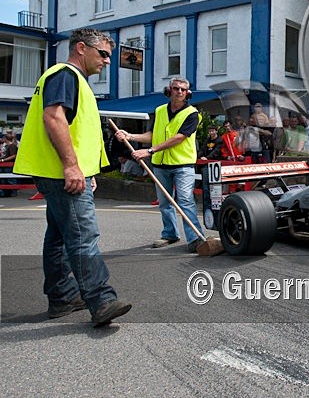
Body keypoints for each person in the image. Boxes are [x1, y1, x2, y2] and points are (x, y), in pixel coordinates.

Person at [13, 28, 131, 325]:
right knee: (82, 237)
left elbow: (78, 132)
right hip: (62, 174)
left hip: (57, 174)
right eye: (102, 54)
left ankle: (62, 298)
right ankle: (101, 299)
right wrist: (71, 166)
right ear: (81, 48)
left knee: (58, 238)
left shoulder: (68, 79)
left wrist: (85, 168)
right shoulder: (66, 75)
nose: (107, 61)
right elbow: (53, 117)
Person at [115, 76, 206, 252]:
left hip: (183, 165)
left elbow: (179, 138)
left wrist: (150, 151)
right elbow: (151, 134)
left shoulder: (193, 114)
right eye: (176, 88)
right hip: (161, 165)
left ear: (188, 93)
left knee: (185, 200)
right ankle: (170, 234)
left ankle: (195, 238)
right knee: (164, 202)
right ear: (169, 90)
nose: (179, 91)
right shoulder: (159, 111)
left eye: (183, 89)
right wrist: (130, 136)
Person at [1, 129, 19, 197]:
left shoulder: (12, 146)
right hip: (6, 165)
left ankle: (13, 192)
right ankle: (7, 192)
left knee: (11, 179)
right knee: (5, 179)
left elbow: (13, 155)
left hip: (9, 165)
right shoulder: (7, 146)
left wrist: (3, 160)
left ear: (5, 139)